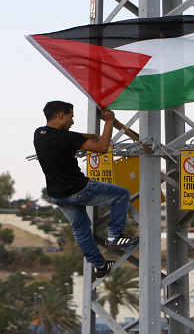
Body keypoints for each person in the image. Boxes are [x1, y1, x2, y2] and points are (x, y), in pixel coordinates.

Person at [34, 101, 138, 278]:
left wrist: (90, 136)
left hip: (58, 196)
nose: (72, 121)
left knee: (80, 230)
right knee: (122, 194)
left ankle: (100, 265)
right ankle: (114, 236)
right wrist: (109, 122)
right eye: (71, 117)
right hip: (80, 189)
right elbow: (102, 148)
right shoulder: (67, 138)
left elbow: (69, 137)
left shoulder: (40, 133)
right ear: (61, 115)